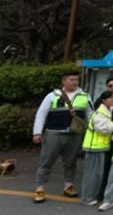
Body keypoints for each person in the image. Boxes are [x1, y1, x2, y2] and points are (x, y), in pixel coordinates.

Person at [32, 70, 93, 203]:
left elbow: (90, 115)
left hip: (74, 135)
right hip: (53, 133)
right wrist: (37, 132)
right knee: (46, 162)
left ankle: (68, 186)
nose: (75, 82)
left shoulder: (85, 96)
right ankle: (40, 188)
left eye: (76, 80)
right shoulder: (52, 96)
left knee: (71, 162)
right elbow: (41, 114)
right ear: (64, 81)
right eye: (71, 79)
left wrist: (92, 132)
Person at [80, 91, 113, 206]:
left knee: (97, 174)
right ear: (103, 100)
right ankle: (87, 198)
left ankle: (91, 196)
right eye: (110, 98)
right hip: (94, 147)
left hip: (100, 147)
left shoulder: (107, 110)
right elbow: (101, 129)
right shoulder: (100, 113)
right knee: (92, 174)